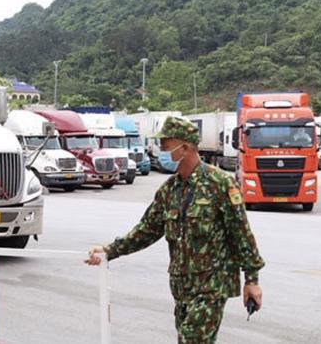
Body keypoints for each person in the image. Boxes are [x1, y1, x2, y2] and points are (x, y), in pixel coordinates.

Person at [86, 116, 265, 343]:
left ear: (186, 147)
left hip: (212, 285)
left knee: (192, 339)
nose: (161, 151)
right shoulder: (169, 190)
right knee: (186, 339)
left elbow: (242, 234)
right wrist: (110, 250)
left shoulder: (220, 184)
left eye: (166, 146)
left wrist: (252, 280)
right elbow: (146, 230)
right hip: (182, 287)